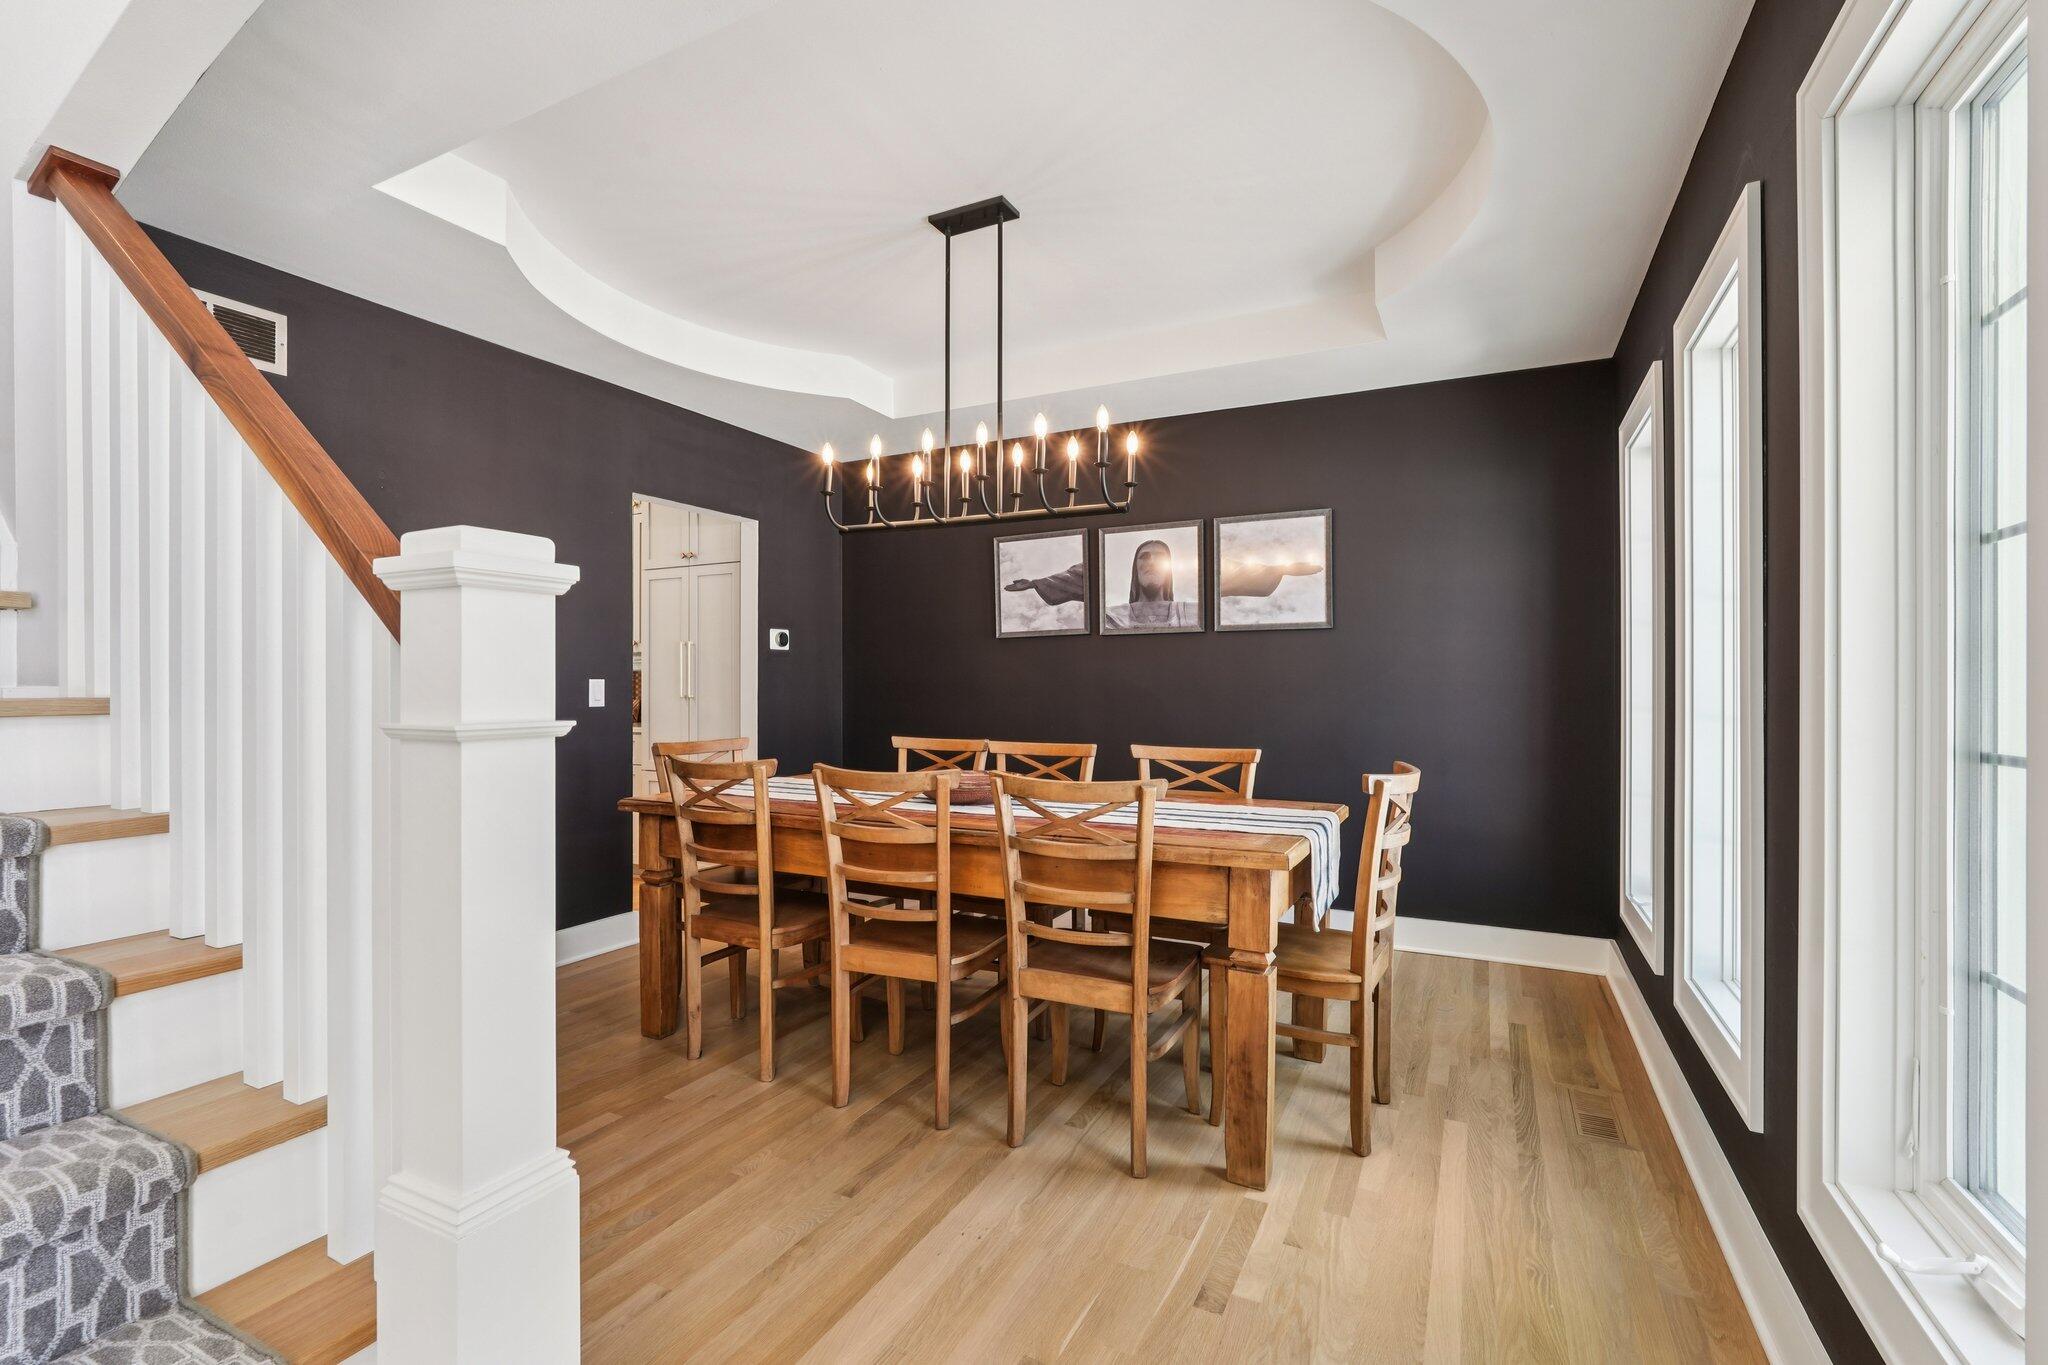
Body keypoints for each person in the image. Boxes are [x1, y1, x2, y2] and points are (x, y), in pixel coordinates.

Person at [1105, 538, 1199, 630]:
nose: (1152, 562)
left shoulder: (1194, 612)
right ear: (1136, 569)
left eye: (1161, 557)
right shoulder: (1110, 616)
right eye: (1144, 557)